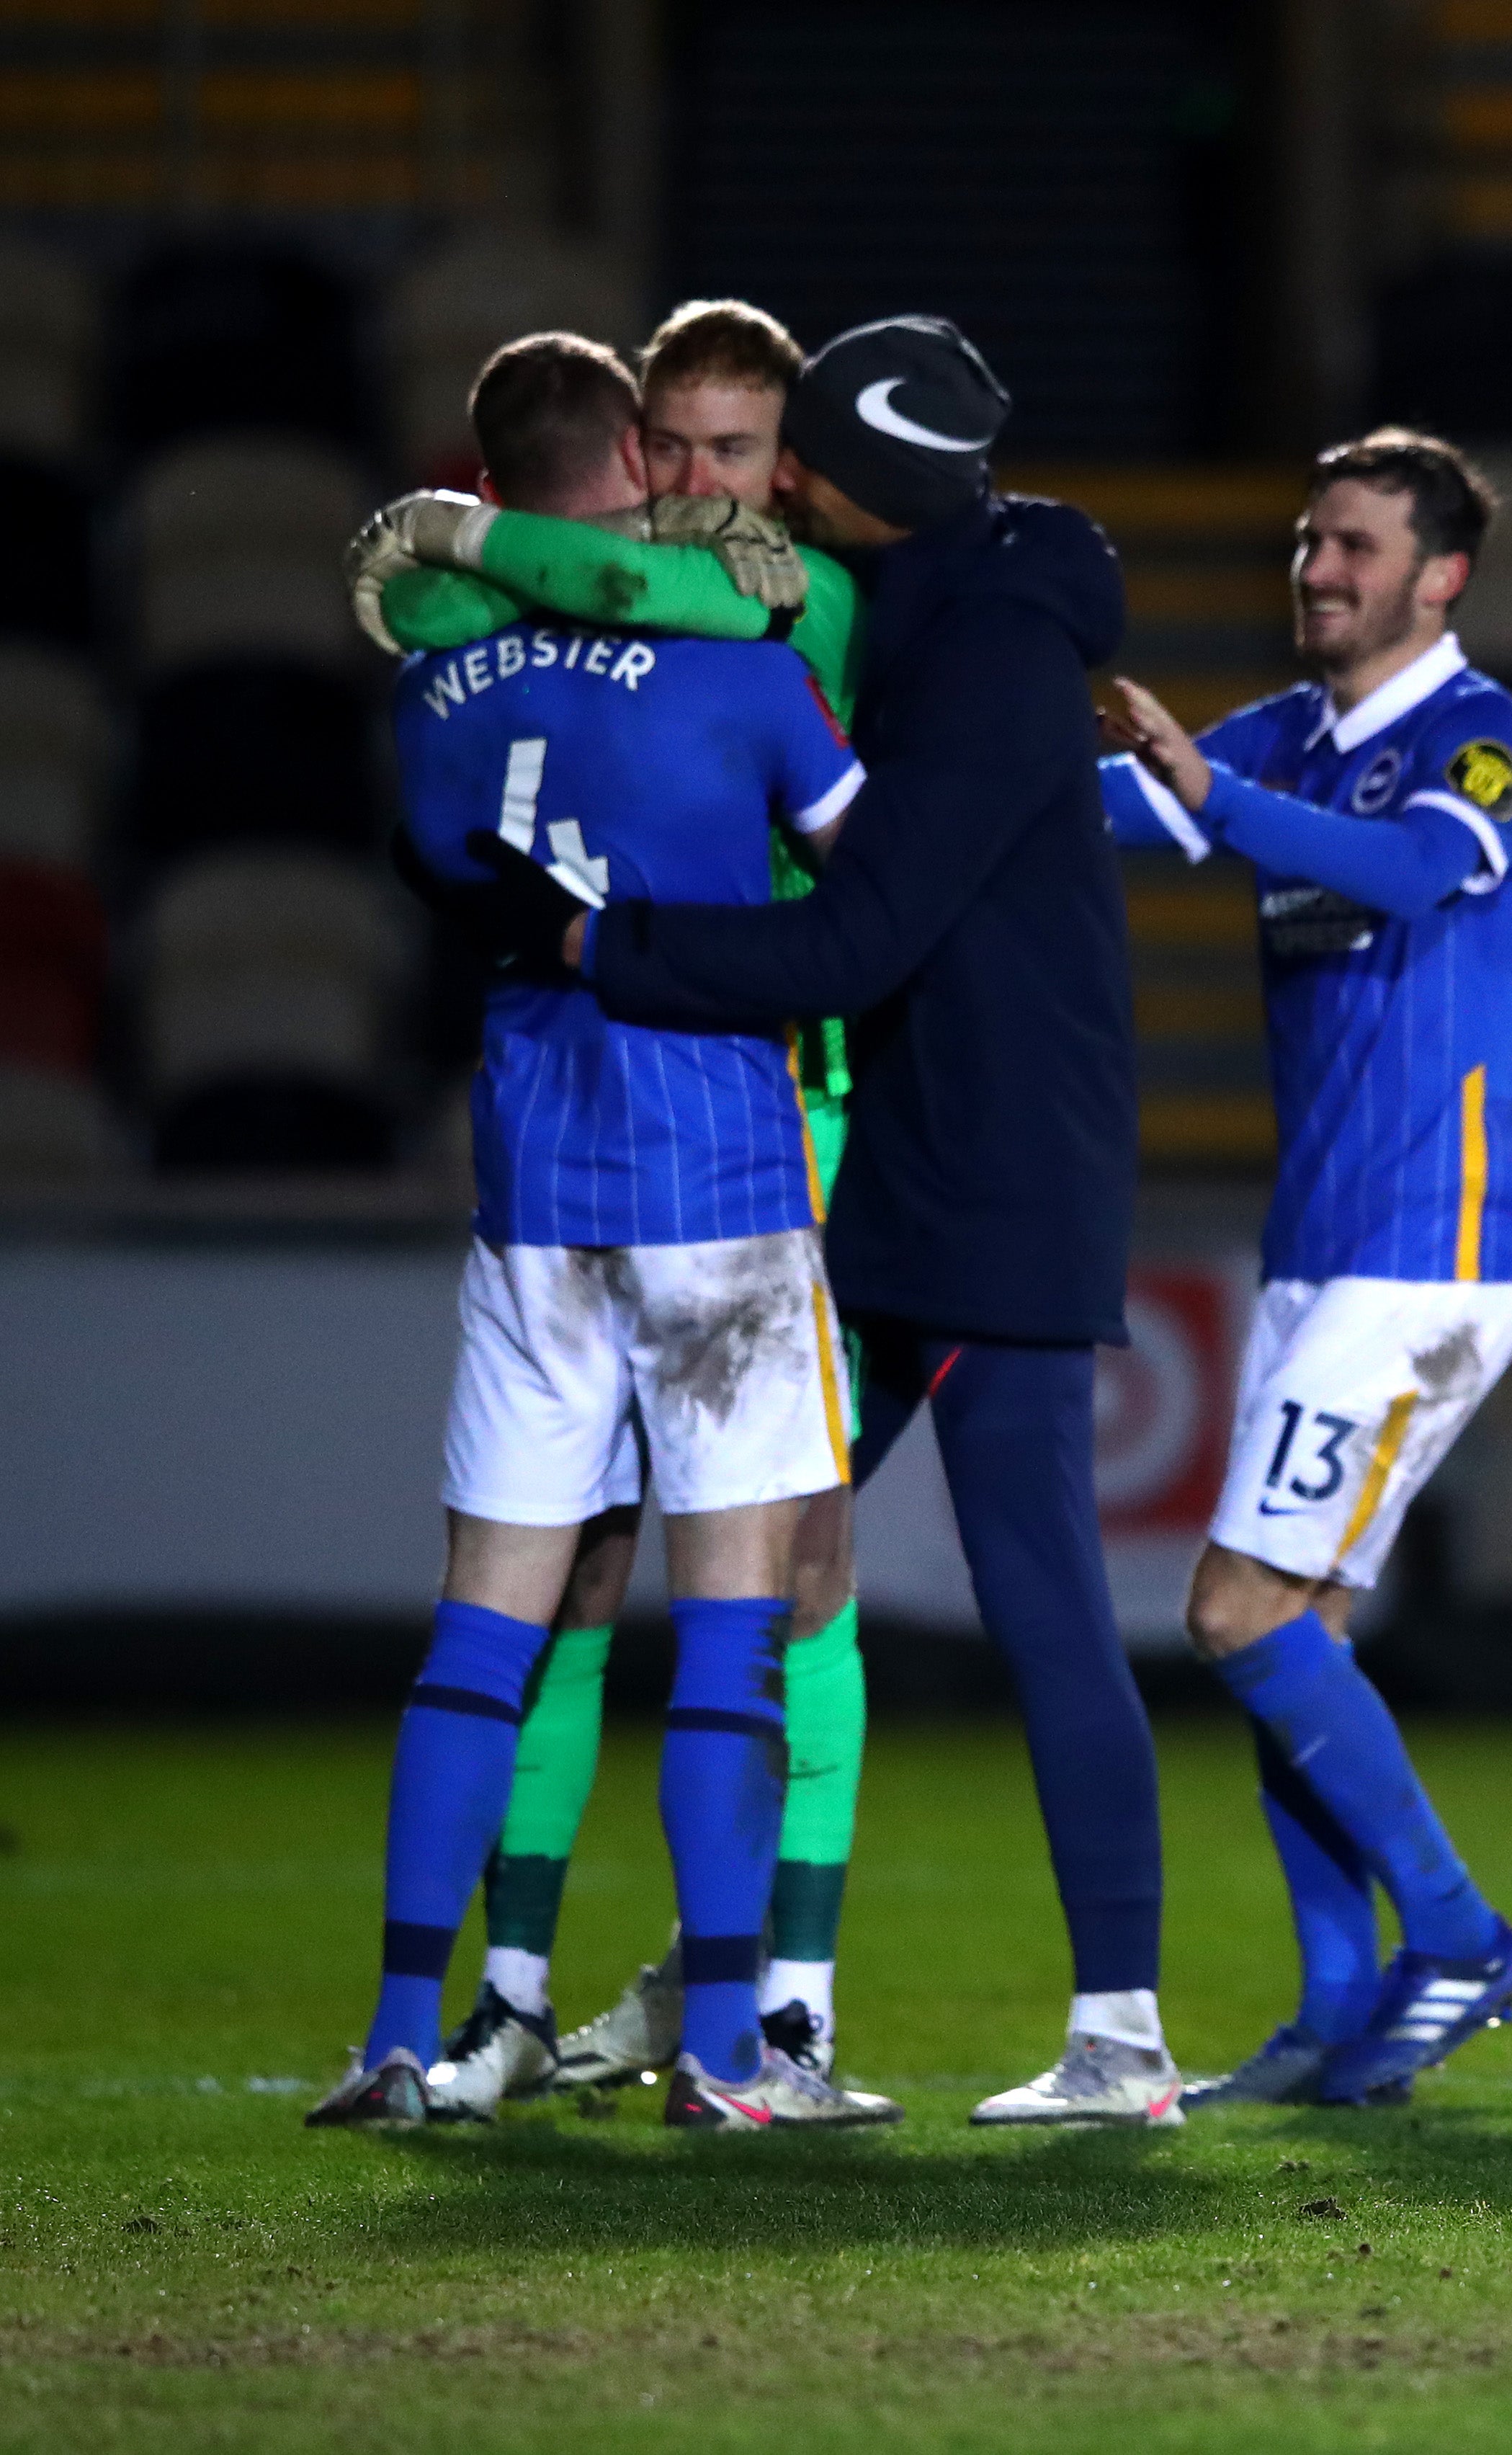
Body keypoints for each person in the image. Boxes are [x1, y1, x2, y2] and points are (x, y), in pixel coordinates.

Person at [480, 314, 1181, 2125]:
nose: (764, 480)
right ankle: (732, 1993)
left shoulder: (986, 656)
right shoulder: (973, 597)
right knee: (765, 1563)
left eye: (790, 456)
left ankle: (1117, 2036)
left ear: (858, 480)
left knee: (1028, 1599)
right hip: (919, 1170)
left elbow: (861, 941)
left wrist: (596, 945)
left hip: (993, 1180)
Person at [305, 332, 887, 2132]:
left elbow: (447, 868)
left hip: (531, 1186)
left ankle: (406, 2035)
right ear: (637, 457)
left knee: (488, 1625)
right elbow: (867, 874)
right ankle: (727, 2052)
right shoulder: (749, 659)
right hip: (722, 1177)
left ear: (488, 489)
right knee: (736, 1624)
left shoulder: (437, 692)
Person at [1096, 429, 1512, 2110]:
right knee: (1302, 1632)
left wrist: (1214, 801)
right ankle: (1333, 2012)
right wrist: (885, 798)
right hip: (1320, 1255)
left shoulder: (1483, 742)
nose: (1316, 568)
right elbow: (1115, 814)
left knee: (1231, 1611)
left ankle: (1458, 1936)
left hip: (1429, 1261)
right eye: (1306, 540)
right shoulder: (1284, 737)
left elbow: (1416, 871)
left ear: (1437, 579)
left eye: (1353, 546)